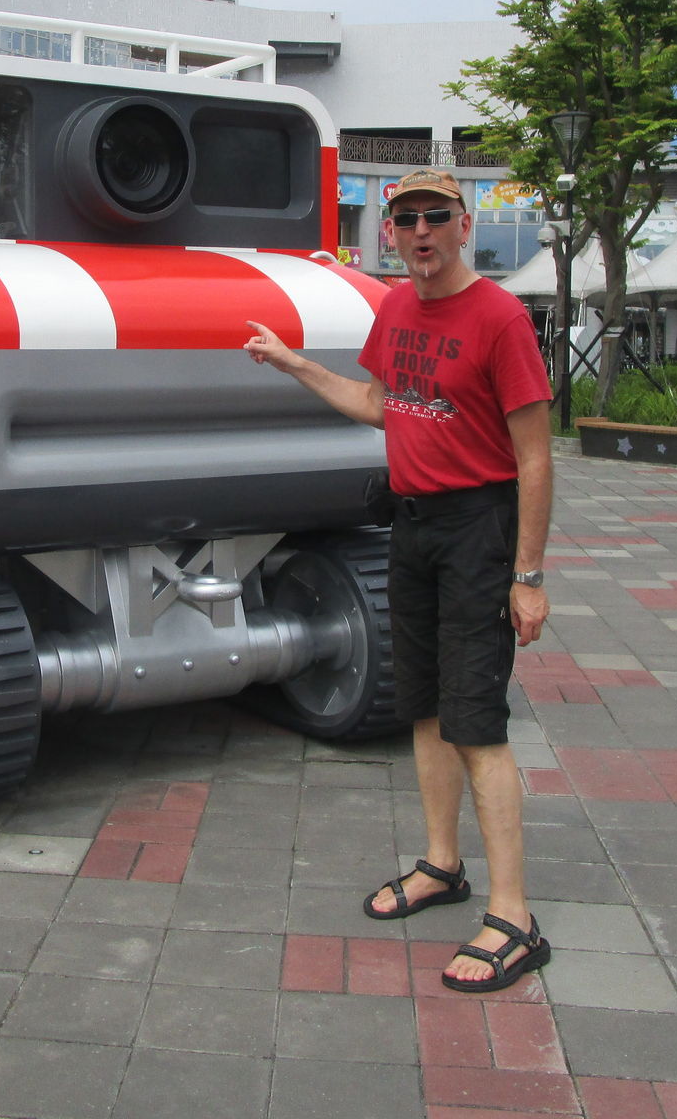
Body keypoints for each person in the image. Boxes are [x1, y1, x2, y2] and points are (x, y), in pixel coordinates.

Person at [245, 167, 554, 993]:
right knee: (422, 705)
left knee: (475, 720)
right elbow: (381, 403)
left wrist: (527, 574)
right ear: (392, 231)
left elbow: (534, 457)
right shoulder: (395, 310)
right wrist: (293, 363)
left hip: (478, 530)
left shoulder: (500, 318)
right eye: (407, 218)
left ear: (464, 224)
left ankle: (515, 918)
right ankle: (442, 864)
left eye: (436, 216)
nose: (421, 231)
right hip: (412, 527)